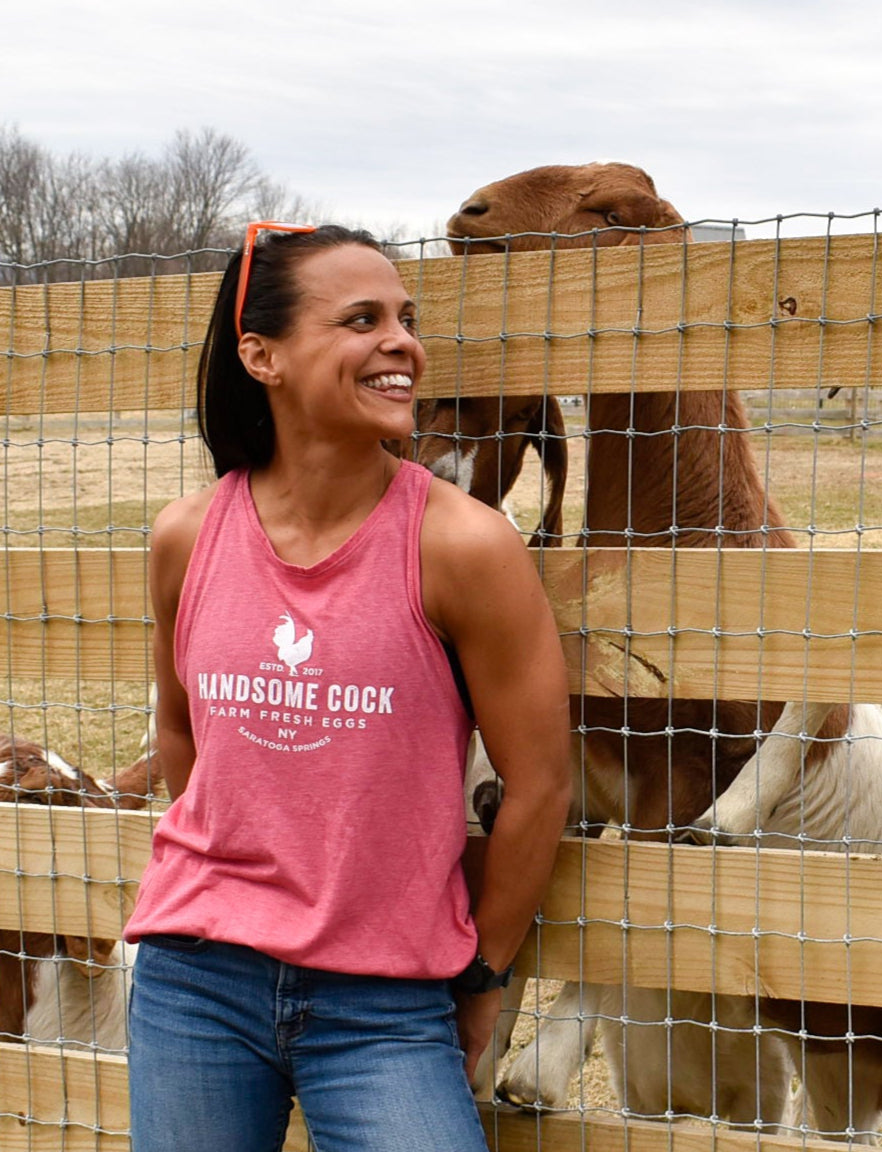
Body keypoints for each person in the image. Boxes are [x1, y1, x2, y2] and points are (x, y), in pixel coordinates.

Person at [123, 222, 572, 1151]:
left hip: (384, 1001)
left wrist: (483, 977)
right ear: (262, 354)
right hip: (195, 980)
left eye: (406, 320)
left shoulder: (462, 546)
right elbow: (181, 732)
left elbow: (539, 786)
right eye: (362, 319)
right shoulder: (187, 537)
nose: (401, 342)